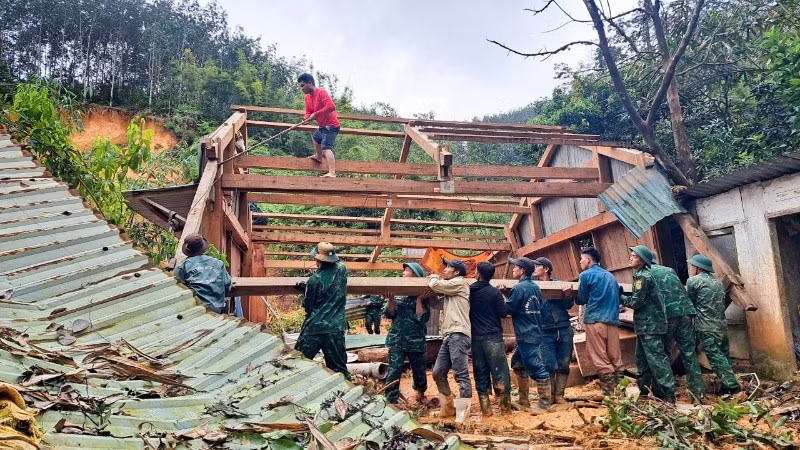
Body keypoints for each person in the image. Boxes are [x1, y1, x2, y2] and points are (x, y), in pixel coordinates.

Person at [620, 245, 676, 403]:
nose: (631, 258)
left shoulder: (643, 276)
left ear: (643, 260)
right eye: (631, 255)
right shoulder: (640, 274)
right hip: (645, 326)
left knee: (657, 360)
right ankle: (645, 392)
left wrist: (621, 297)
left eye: (635, 256)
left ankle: (669, 394)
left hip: (651, 326)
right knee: (642, 360)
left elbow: (637, 302)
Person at [686, 254, 741, 395]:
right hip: (722, 326)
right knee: (724, 357)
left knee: (716, 358)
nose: (691, 268)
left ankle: (734, 388)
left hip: (706, 327)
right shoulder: (717, 282)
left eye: (692, 266)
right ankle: (726, 388)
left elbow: (689, 302)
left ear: (698, 268)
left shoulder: (693, 281)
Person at [294, 242, 350, 380]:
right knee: (339, 370)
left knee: (296, 365)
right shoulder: (342, 270)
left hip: (315, 327)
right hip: (335, 328)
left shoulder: (314, 280)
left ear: (317, 259)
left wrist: (306, 289)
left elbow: (309, 306)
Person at [650, 263, 704, 401]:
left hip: (668, 315)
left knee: (663, 353)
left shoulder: (645, 272)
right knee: (689, 353)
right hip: (686, 312)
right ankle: (698, 394)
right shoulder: (669, 269)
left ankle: (667, 395)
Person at [504, 257, 551, 413]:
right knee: (517, 364)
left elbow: (508, 310)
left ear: (522, 270)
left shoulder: (519, 289)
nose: (513, 269)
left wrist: (502, 295)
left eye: (515, 267)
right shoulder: (535, 288)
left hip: (526, 334)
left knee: (538, 369)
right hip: (534, 331)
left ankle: (544, 404)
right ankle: (524, 400)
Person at [574, 247, 623, 395]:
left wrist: (571, 295)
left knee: (600, 358)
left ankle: (609, 394)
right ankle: (621, 393)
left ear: (588, 260)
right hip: (613, 321)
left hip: (595, 320)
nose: (580, 261)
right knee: (615, 357)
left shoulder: (585, 275)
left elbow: (581, 299)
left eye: (581, 259)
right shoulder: (610, 276)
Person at [428, 259, 472, 423]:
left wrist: (433, 277)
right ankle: (448, 408)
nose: (444, 270)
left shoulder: (459, 283)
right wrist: (428, 299)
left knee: (461, 376)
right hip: (450, 335)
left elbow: (435, 285)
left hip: (458, 334)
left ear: (457, 272)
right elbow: (438, 303)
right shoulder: (452, 289)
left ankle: (462, 416)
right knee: (438, 372)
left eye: (448, 268)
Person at [384, 263, 431, 405]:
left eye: (407, 270)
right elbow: (389, 314)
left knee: (419, 371)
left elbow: (422, 318)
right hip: (397, 339)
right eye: (404, 270)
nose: (403, 272)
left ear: (415, 275)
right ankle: (391, 399)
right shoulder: (397, 292)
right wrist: (391, 299)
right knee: (394, 370)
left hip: (415, 341)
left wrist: (419, 300)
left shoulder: (423, 296)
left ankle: (420, 394)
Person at [469, 261, 512, 415]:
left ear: (478, 274)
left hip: (476, 340)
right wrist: (502, 294)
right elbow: (503, 312)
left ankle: (486, 410)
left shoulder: (469, 291)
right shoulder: (494, 292)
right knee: (500, 372)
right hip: (494, 338)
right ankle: (505, 409)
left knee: (480, 373)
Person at [532, 257, 574, 405]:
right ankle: (548, 396)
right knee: (548, 364)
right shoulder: (533, 286)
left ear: (546, 269)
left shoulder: (558, 285)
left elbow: (568, 305)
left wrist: (568, 295)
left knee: (563, 363)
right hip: (544, 330)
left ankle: (559, 395)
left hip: (563, 328)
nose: (535, 268)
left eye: (538, 266)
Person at [174, 233, 232, 314]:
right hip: (215, 309)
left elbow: (176, 289)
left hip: (194, 308)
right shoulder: (218, 263)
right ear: (202, 247)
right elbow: (227, 284)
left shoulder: (183, 266)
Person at [298, 73, 340, 178]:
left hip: (331, 126)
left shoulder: (321, 93)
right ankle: (318, 157)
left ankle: (332, 173)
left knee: (326, 147)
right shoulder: (307, 97)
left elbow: (331, 107)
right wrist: (306, 118)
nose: (302, 88)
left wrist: (315, 114)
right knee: (316, 138)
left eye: (303, 85)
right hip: (322, 126)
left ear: (310, 83)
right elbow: (308, 111)